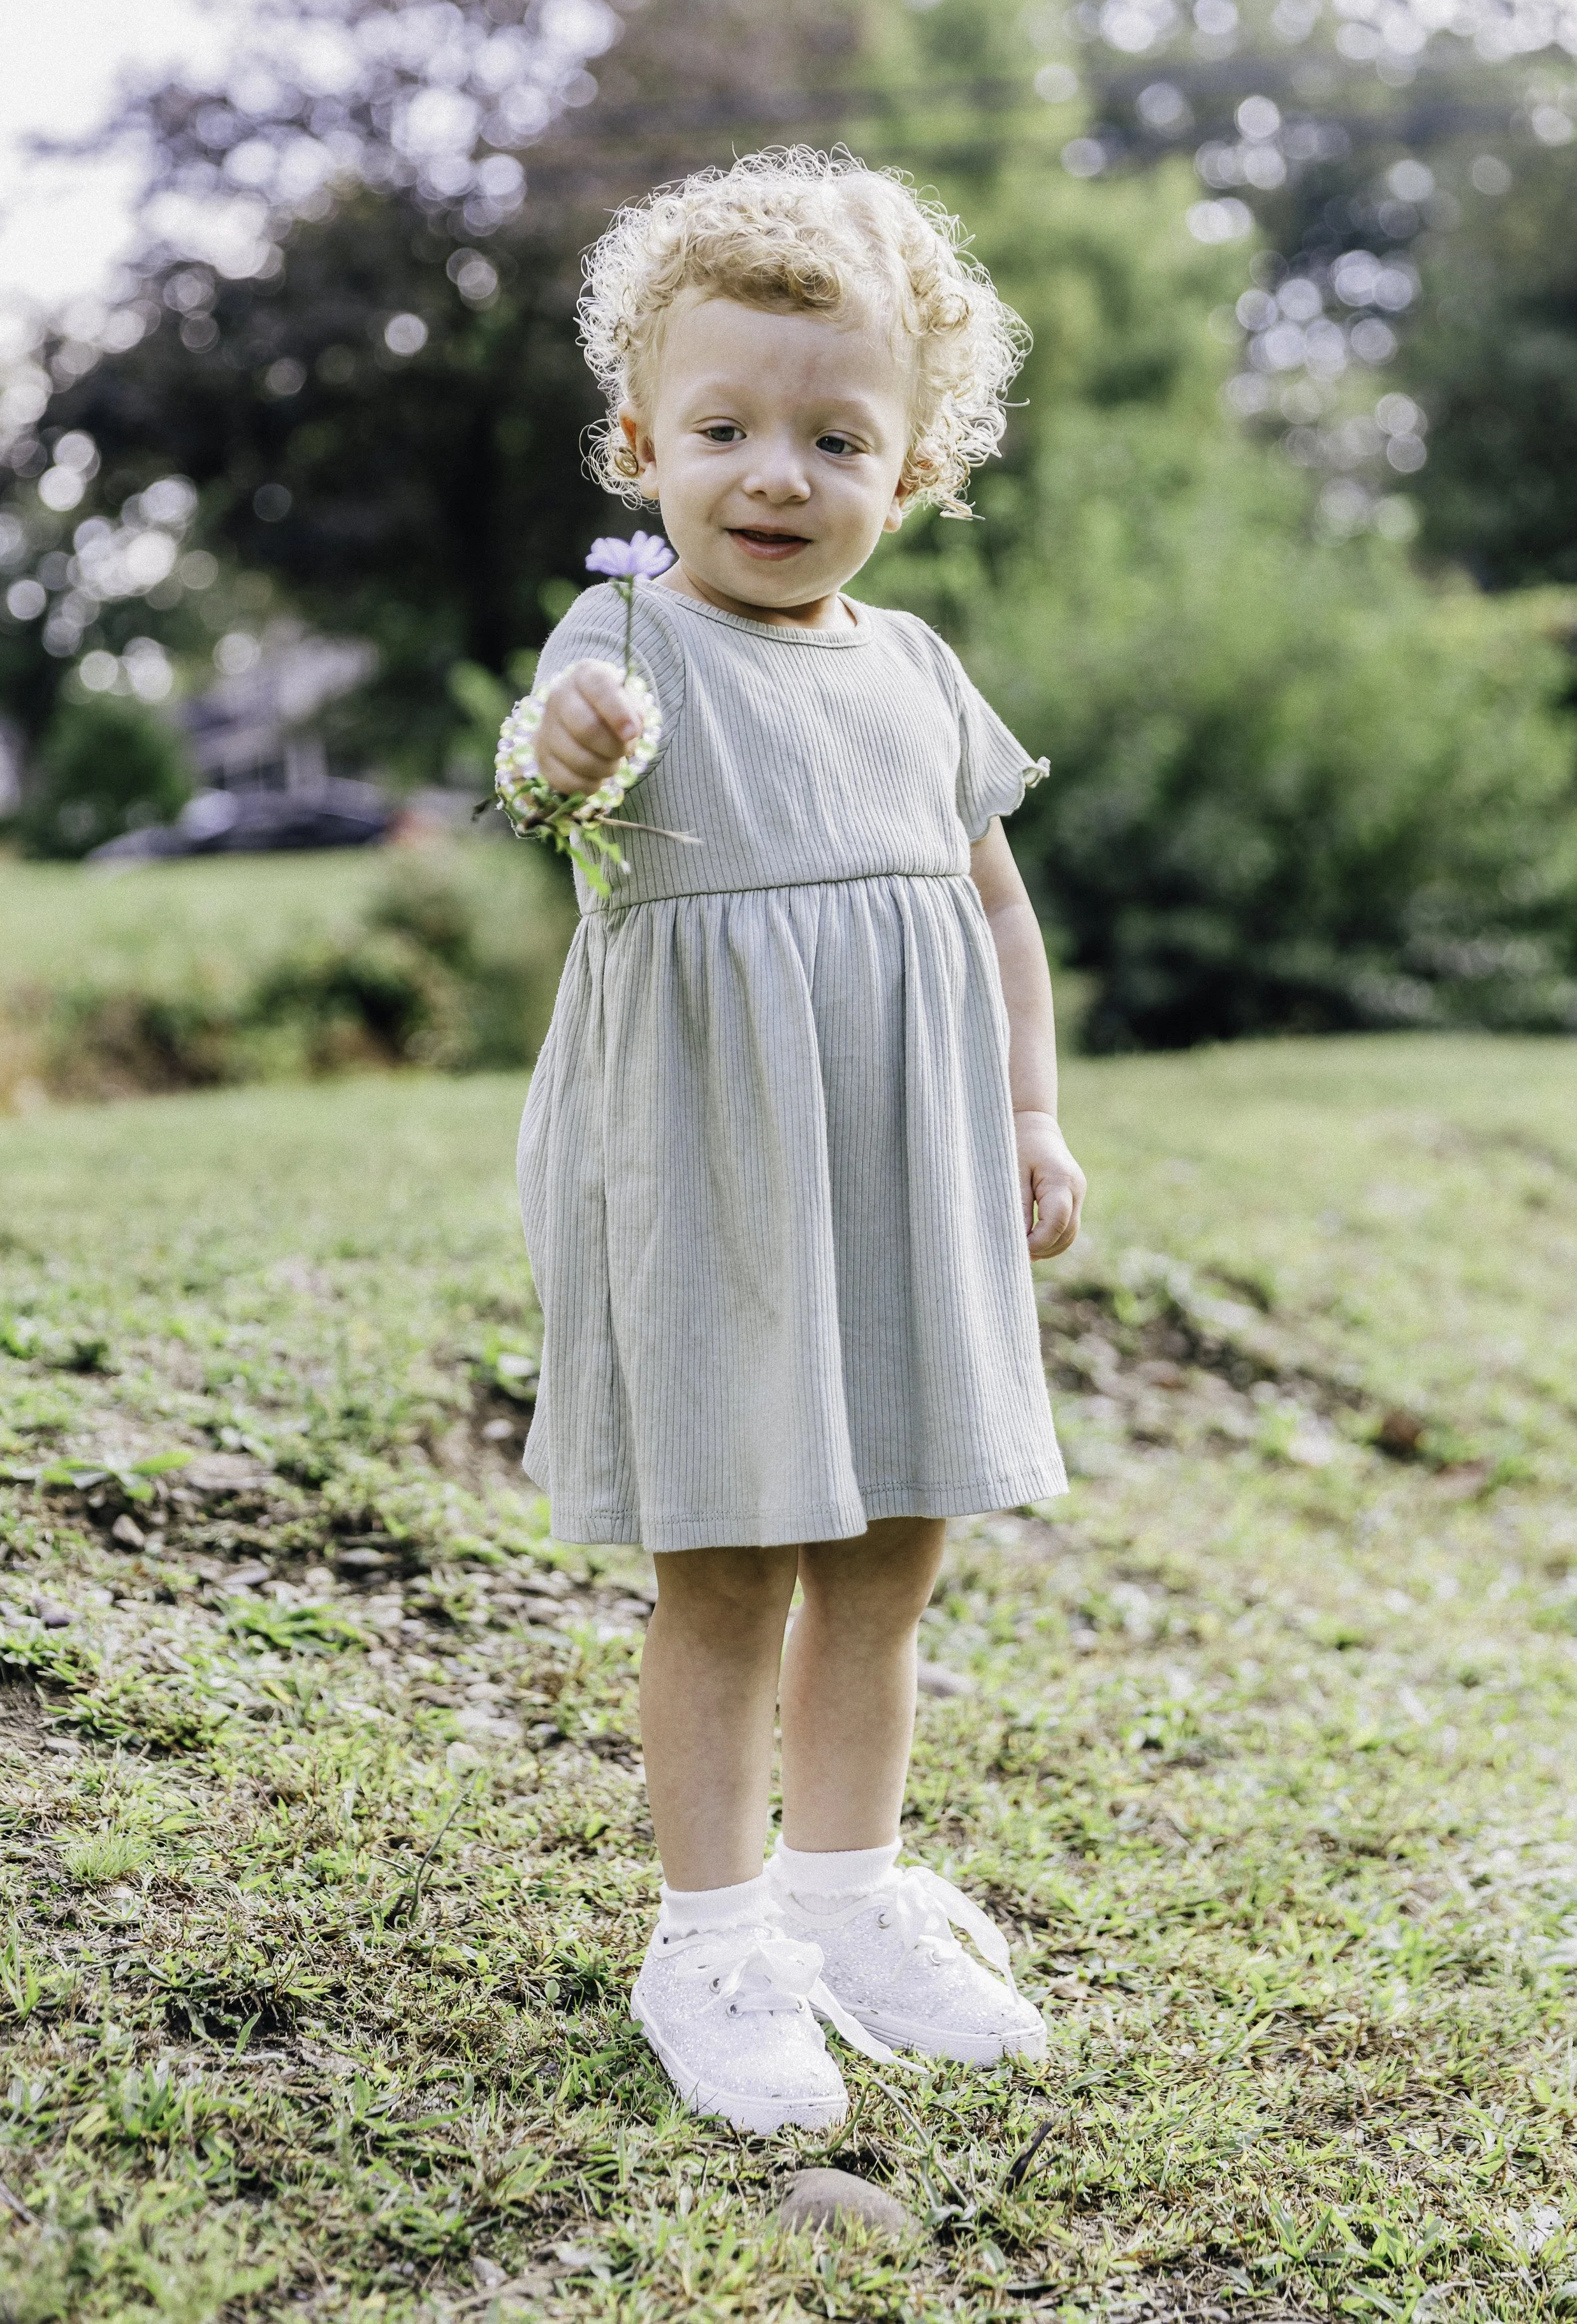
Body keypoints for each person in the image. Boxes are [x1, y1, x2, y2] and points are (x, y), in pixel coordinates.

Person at [514, 147, 1087, 2133]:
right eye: (725, 427)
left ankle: (847, 1898)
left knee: (891, 1541)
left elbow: (994, 905)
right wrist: (561, 745)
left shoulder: (918, 673)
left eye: (833, 436)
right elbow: (548, 760)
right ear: (639, 440)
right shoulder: (627, 660)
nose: (774, 473)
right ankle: (713, 1931)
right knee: (731, 1556)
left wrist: (1026, 1107)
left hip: (903, 1184)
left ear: (911, 469)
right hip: (717, 1192)